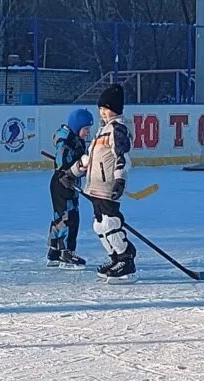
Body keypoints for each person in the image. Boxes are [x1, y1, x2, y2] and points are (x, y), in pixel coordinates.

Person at [83, 83, 137, 284]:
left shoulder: (117, 129)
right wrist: (70, 172)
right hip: (94, 187)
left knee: (111, 222)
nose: (102, 113)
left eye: (105, 109)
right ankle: (115, 258)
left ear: (114, 108)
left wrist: (120, 180)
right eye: (100, 109)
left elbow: (122, 156)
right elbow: (88, 158)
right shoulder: (101, 131)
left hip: (108, 187)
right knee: (99, 225)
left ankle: (126, 260)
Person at [46, 108, 94, 268]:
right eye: (86, 129)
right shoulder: (66, 142)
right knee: (69, 218)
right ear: (76, 126)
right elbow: (62, 163)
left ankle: (54, 251)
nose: (88, 133)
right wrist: (68, 171)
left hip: (68, 183)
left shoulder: (75, 140)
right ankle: (66, 251)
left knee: (61, 217)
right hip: (62, 183)